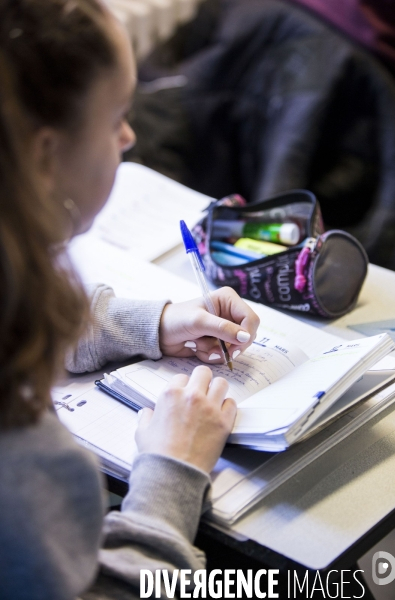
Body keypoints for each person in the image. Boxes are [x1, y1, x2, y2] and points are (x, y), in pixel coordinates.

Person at [0, 1, 260, 598]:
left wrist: (152, 323)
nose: (130, 135)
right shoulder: (27, 468)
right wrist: (173, 469)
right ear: (44, 156)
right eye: (116, 115)